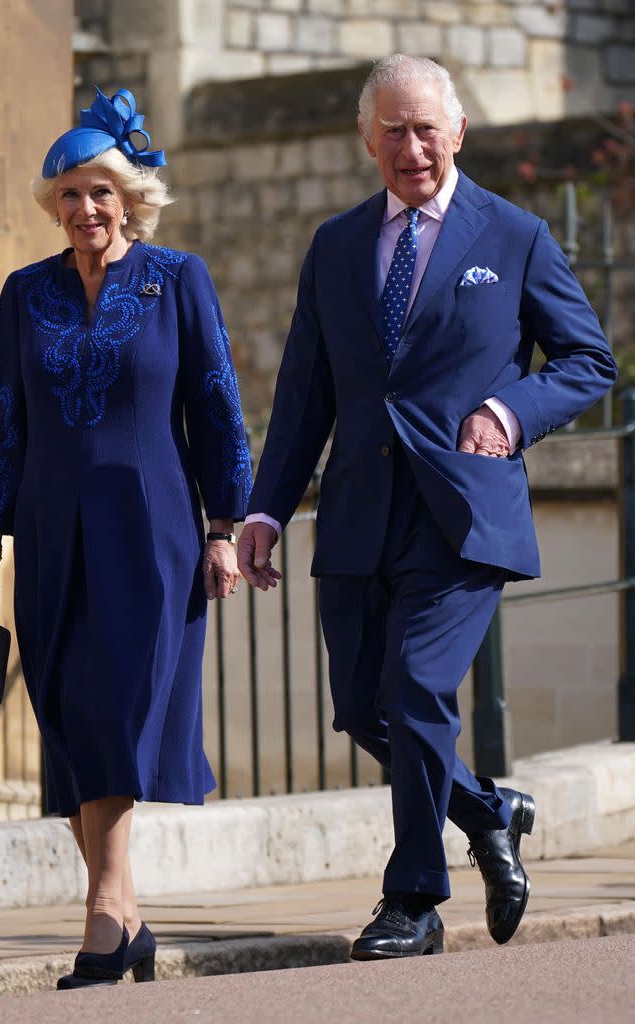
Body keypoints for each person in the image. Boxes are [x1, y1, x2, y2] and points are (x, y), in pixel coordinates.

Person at [238, 55, 617, 959]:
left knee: (413, 689)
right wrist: (262, 511)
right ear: (369, 140)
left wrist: (508, 411)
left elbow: (587, 361)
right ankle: (491, 811)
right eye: (394, 130)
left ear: (457, 134)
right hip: (360, 512)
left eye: (426, 129)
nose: (412, 147)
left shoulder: (516, 235)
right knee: (364, 711)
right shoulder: (335, 245)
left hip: (462, 512)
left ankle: (413, 898)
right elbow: (304, 396)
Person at [0, 87, 251, 988]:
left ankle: (102, 911)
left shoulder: (178, 279)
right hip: (48, 528)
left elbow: (216, 405)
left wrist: (224, 527)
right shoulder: (24, 293)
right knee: (69, 708)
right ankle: (127, 914)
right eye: (70, 196)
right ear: (54, 206)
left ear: (129, 198)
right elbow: (0, 416)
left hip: (152, 526)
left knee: (120, 701)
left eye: (101, 192)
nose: (85, 209)